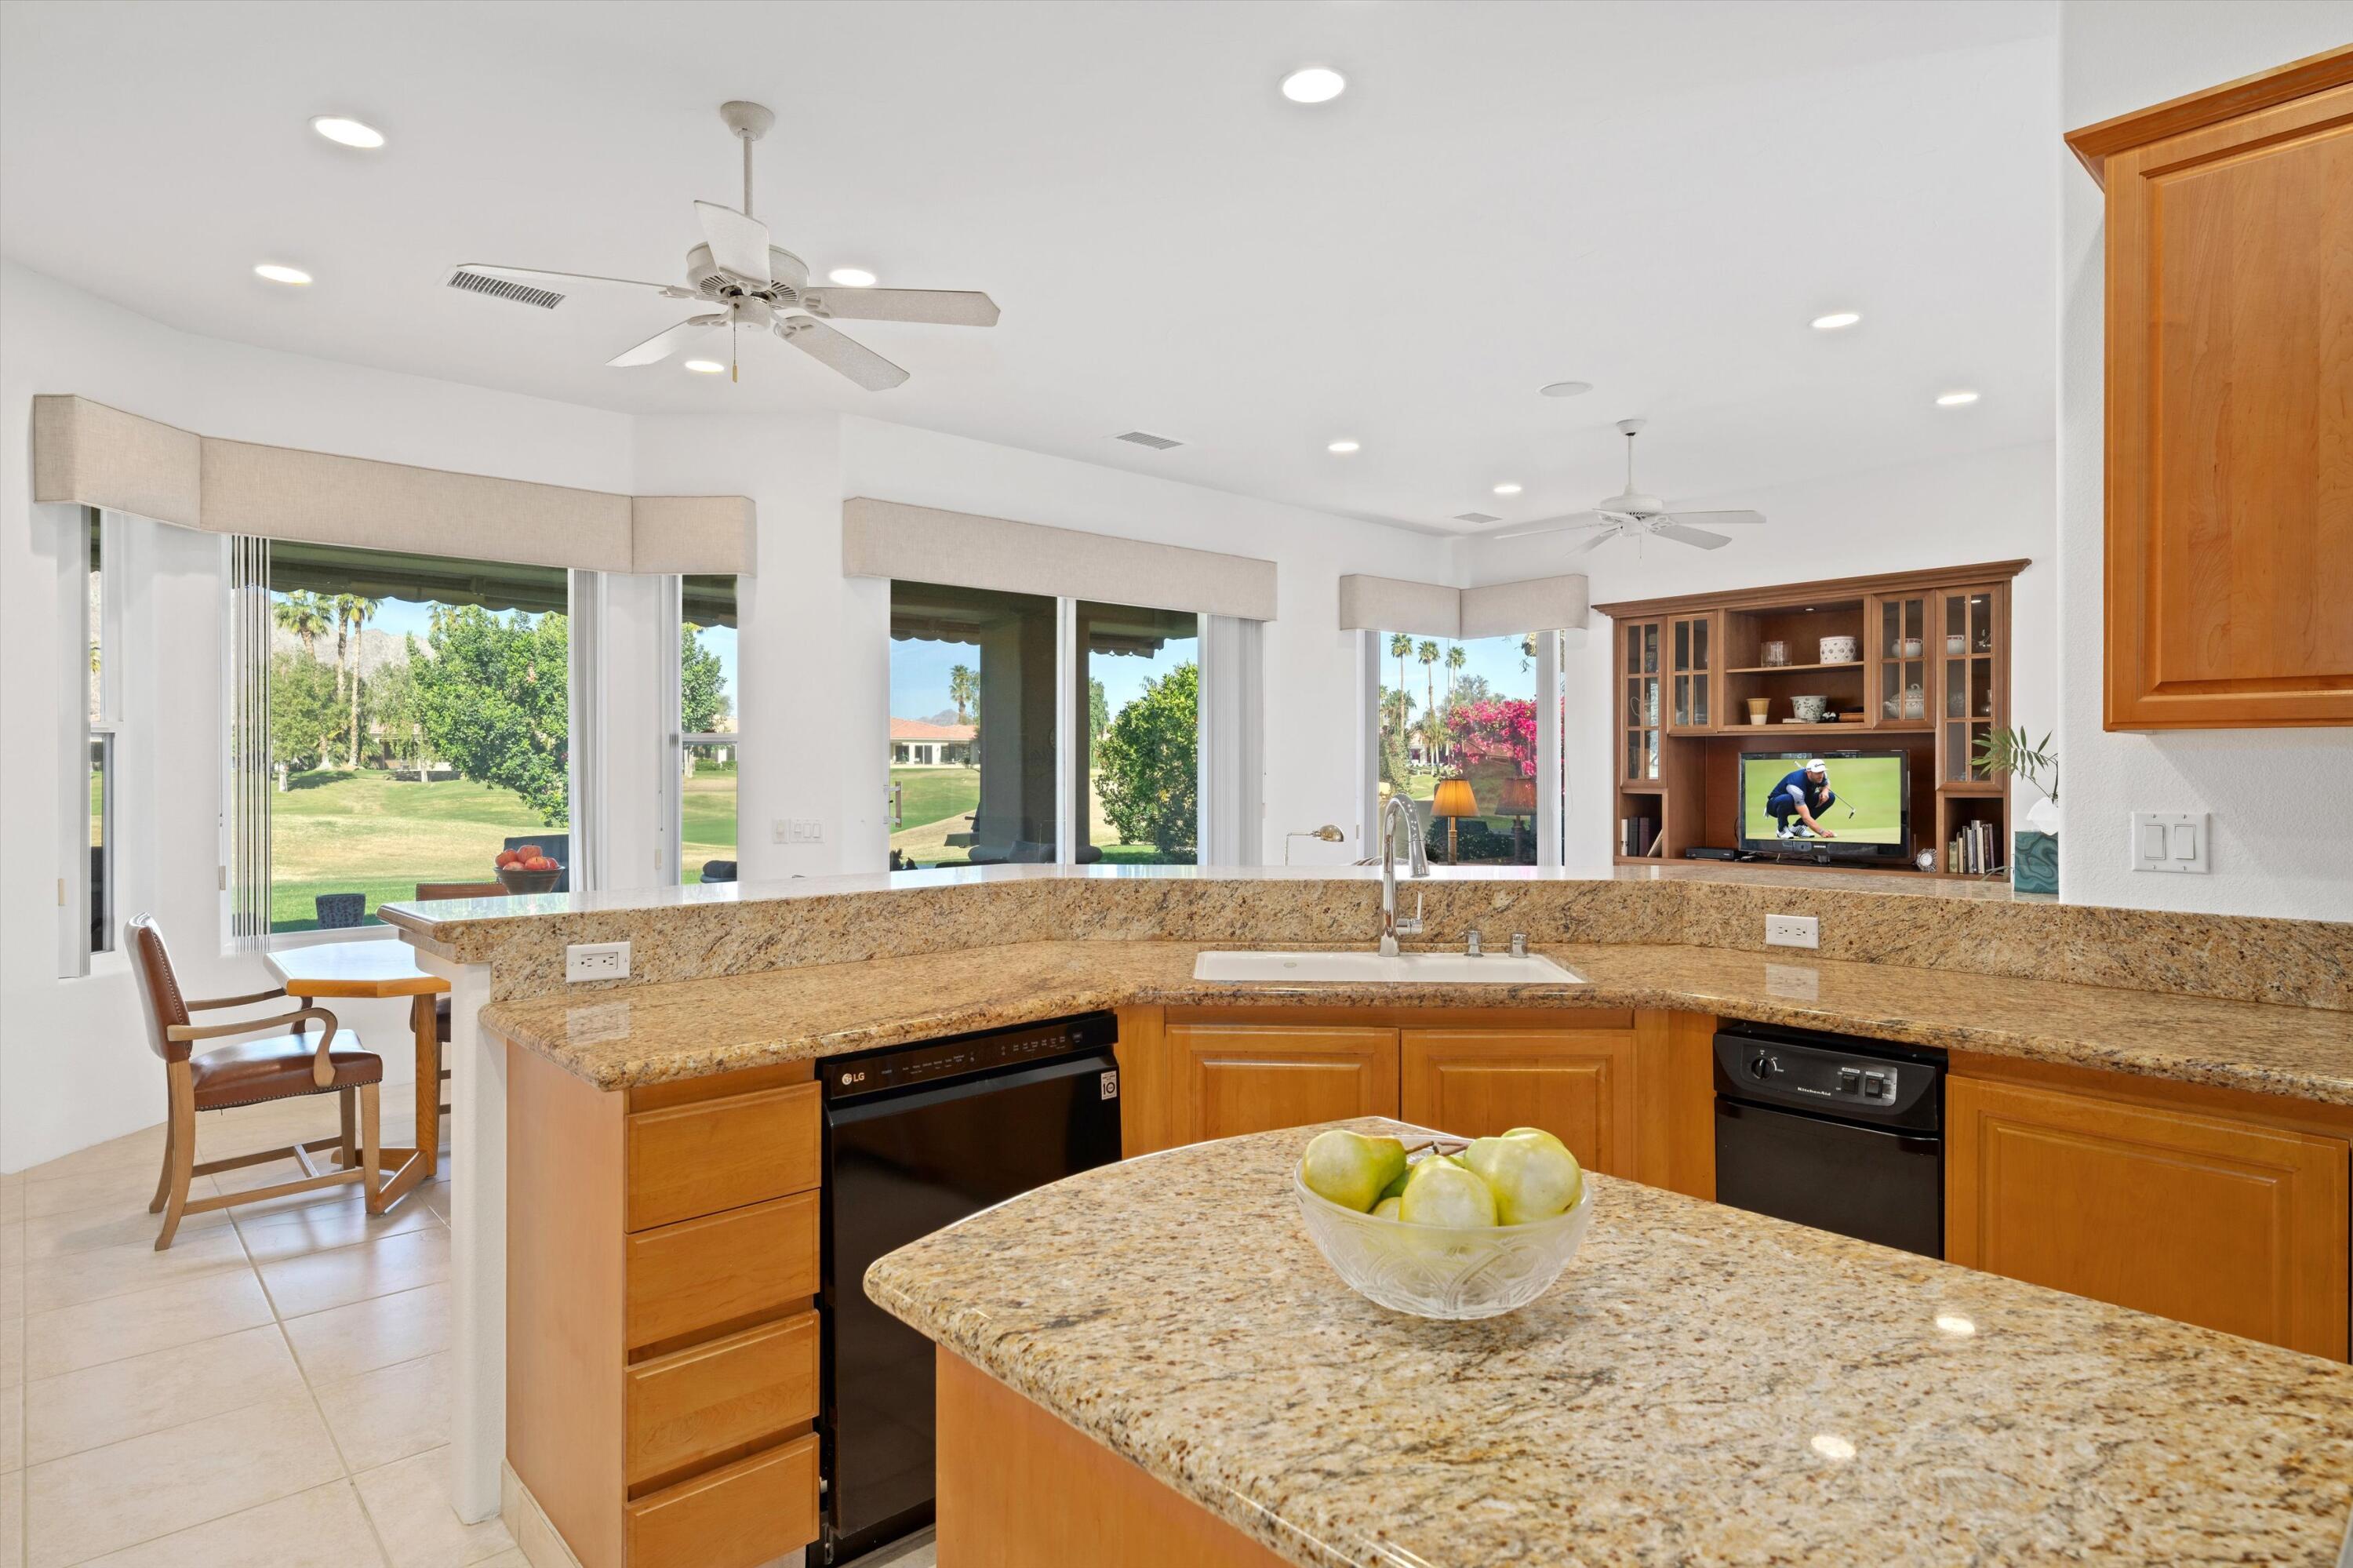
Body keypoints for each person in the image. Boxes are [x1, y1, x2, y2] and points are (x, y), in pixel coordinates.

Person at [1767, 759, 1838, 839]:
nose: (1821, 775)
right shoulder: (1796, 785)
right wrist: (1822, 832)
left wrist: (1825, 791)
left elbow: (1826, 783)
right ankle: (1782, 829)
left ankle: (1799, 828)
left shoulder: (1822, 775)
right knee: (1787, 799)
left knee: (1830, 797)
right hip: (1775, 806)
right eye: (1818, 772)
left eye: (1822, 772)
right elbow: (1805, 816)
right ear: (1809, 772)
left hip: (1798, 801)